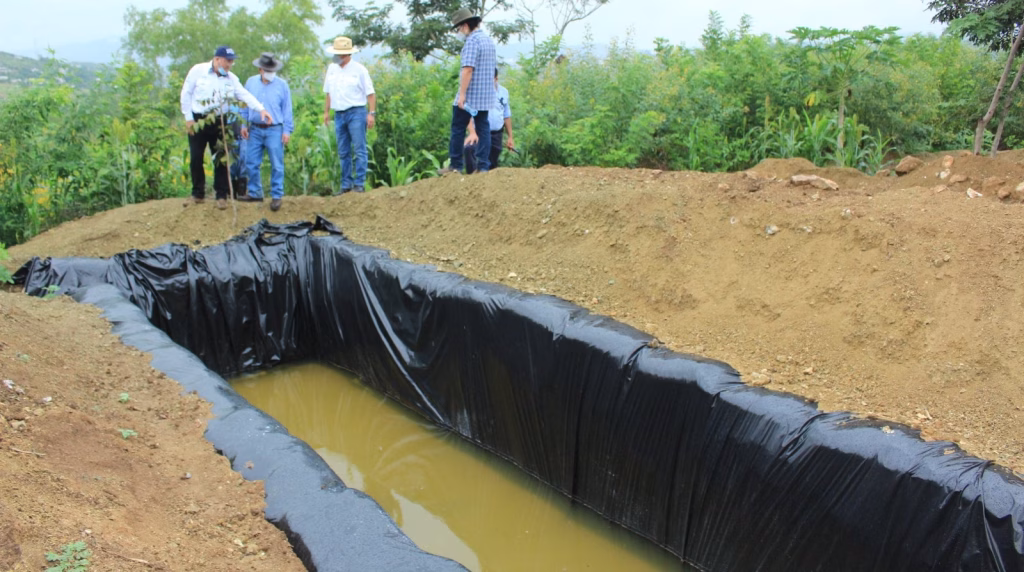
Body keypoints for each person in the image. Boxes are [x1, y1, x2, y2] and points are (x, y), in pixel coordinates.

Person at [180, 45, 273, 210]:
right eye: (227, 61)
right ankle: (197, 193)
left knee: (221, 158)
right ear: (217, 59)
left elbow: (243, 94)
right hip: (199, 119)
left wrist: (261, 109)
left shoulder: (231, 78)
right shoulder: (198, 71)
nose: (229, 65)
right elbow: (186, 93)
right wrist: (188, 118)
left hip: (220, 121)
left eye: (231, 62)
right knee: (196, 157)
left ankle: (221, 195)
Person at [237, 53, 293, 212]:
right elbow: (244, 104)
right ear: (260, 70)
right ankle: (255, 192)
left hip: (275, 129)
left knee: (277, 163)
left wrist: (287, 130)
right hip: (254, 128)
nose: (270, 73)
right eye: (267, 70)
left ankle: (276, 195)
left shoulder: (282, 85)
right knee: (251, 162)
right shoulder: (251, 83)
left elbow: (287, 109)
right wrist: (243, 124)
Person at [444, 8, 496, 175]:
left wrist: (462, 95)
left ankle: (456, 165)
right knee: (483, 128)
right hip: (485, 95)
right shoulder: (488, 40)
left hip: (471, 96)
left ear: (466, 25)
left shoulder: (472, 42)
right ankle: (483, 166)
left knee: (458, 128)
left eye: (459, 28)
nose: (460, 31)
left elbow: (467, 69)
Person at [323, 36, 376, 194]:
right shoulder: (332, 69)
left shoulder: (359, 70)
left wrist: (371, 113)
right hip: (339, 113)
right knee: (343, 151)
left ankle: (359, 183)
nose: (339, 57)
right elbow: (328, 92)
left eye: (342, 55)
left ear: (348, 55)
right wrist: (326, 112)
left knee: (359, 149)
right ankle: (346, 184)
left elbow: (370, 93)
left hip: (357, 112)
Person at [463, 68, 515, 174]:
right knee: (469, 149)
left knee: (492, 164)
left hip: (496, 134)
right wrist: (472, 132)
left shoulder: (503, 92)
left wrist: (510, 137)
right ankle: (471, 179)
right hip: (479, 133)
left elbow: (506, 115)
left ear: (496, 79)